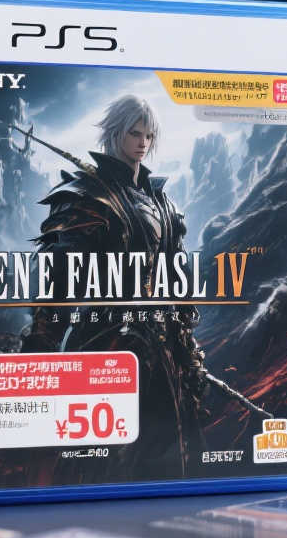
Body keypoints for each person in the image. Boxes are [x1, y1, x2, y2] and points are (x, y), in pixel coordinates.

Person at [21, 95, 208, 478]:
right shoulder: (89, 196)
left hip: (163, 351)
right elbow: (60, 280)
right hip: (105, 345)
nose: (143, 143)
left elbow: (176, 283)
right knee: (98, 463)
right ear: (115, 133)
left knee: (169, 460)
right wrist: (40, 350)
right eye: (134, 133)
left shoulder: (162, 202)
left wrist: (188, 352)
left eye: (148, 135)